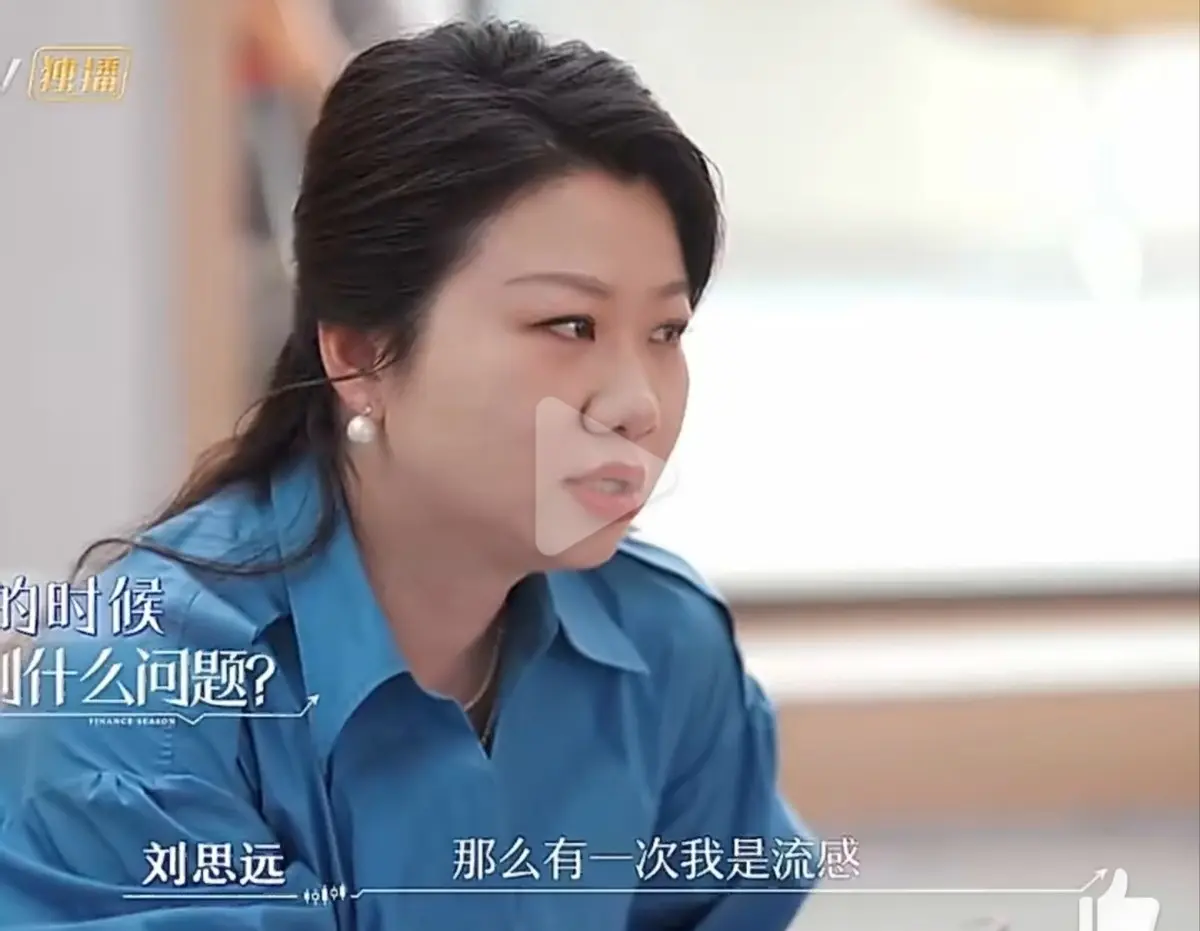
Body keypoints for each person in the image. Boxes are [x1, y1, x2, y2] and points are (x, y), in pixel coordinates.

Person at [0, 21, 815, 931]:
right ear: (360, 354)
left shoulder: (665, 645)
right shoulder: (143, 702)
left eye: (665, 332)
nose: (638, 404)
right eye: (569, 326)